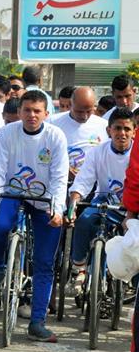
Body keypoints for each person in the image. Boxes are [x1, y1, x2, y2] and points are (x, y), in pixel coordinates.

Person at [0, 90, 68, 342]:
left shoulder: (56, 136)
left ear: (46, 113)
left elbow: (60, 177)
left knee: (44, 261)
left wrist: (57, 209)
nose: (31, 115)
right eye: (27, 110)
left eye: (37, 111)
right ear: (19, 112)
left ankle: (37, 322)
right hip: (12, 193)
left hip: (44, 199)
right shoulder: (8, 133)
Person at [67, 108, 133, 295]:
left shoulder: (136, 153)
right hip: (106, 200)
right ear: (108, 130)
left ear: (134, 131)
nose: (122, 133)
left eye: (127, 129)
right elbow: (84, 180)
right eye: (117, 128)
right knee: (84, 220)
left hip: (132, 204)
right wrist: (74, 202)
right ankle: (79, 267)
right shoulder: (98, 152)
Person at [47, 86, 106, 178]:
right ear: (71, 104)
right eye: (79, 112)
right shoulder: (52, 123)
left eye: (89, 111)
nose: (84, 116)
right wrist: (64, 168)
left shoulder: (104, 125)